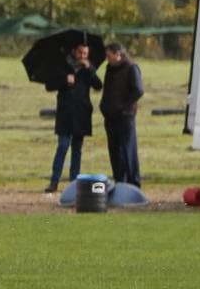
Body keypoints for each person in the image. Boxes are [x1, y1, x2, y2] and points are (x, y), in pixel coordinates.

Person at [45, 42, 102, 194]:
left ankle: (74, 182)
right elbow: (49, 85)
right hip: (65, 112)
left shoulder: (88, 69)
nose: (83, 56)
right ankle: (54, 181)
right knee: (63, 145)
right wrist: (64, 79)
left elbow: (98, 85)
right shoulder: (62, 66)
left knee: (77, 149)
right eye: (80, 53)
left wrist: (90, 68)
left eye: (85, 54)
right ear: (74, 52)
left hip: (81, 113)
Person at [100, 43, 144, 187]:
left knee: (128, 150)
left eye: (109, 56)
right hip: (110, 117)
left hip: (125, 117)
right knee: (114, 151)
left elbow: (138, 90)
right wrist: (103, 105)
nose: (107, 59)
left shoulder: (131, 68)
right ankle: (120, 181)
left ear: (118, 53)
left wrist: (124, 106)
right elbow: (107, 88)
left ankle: (134, 183)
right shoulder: (110, 69)